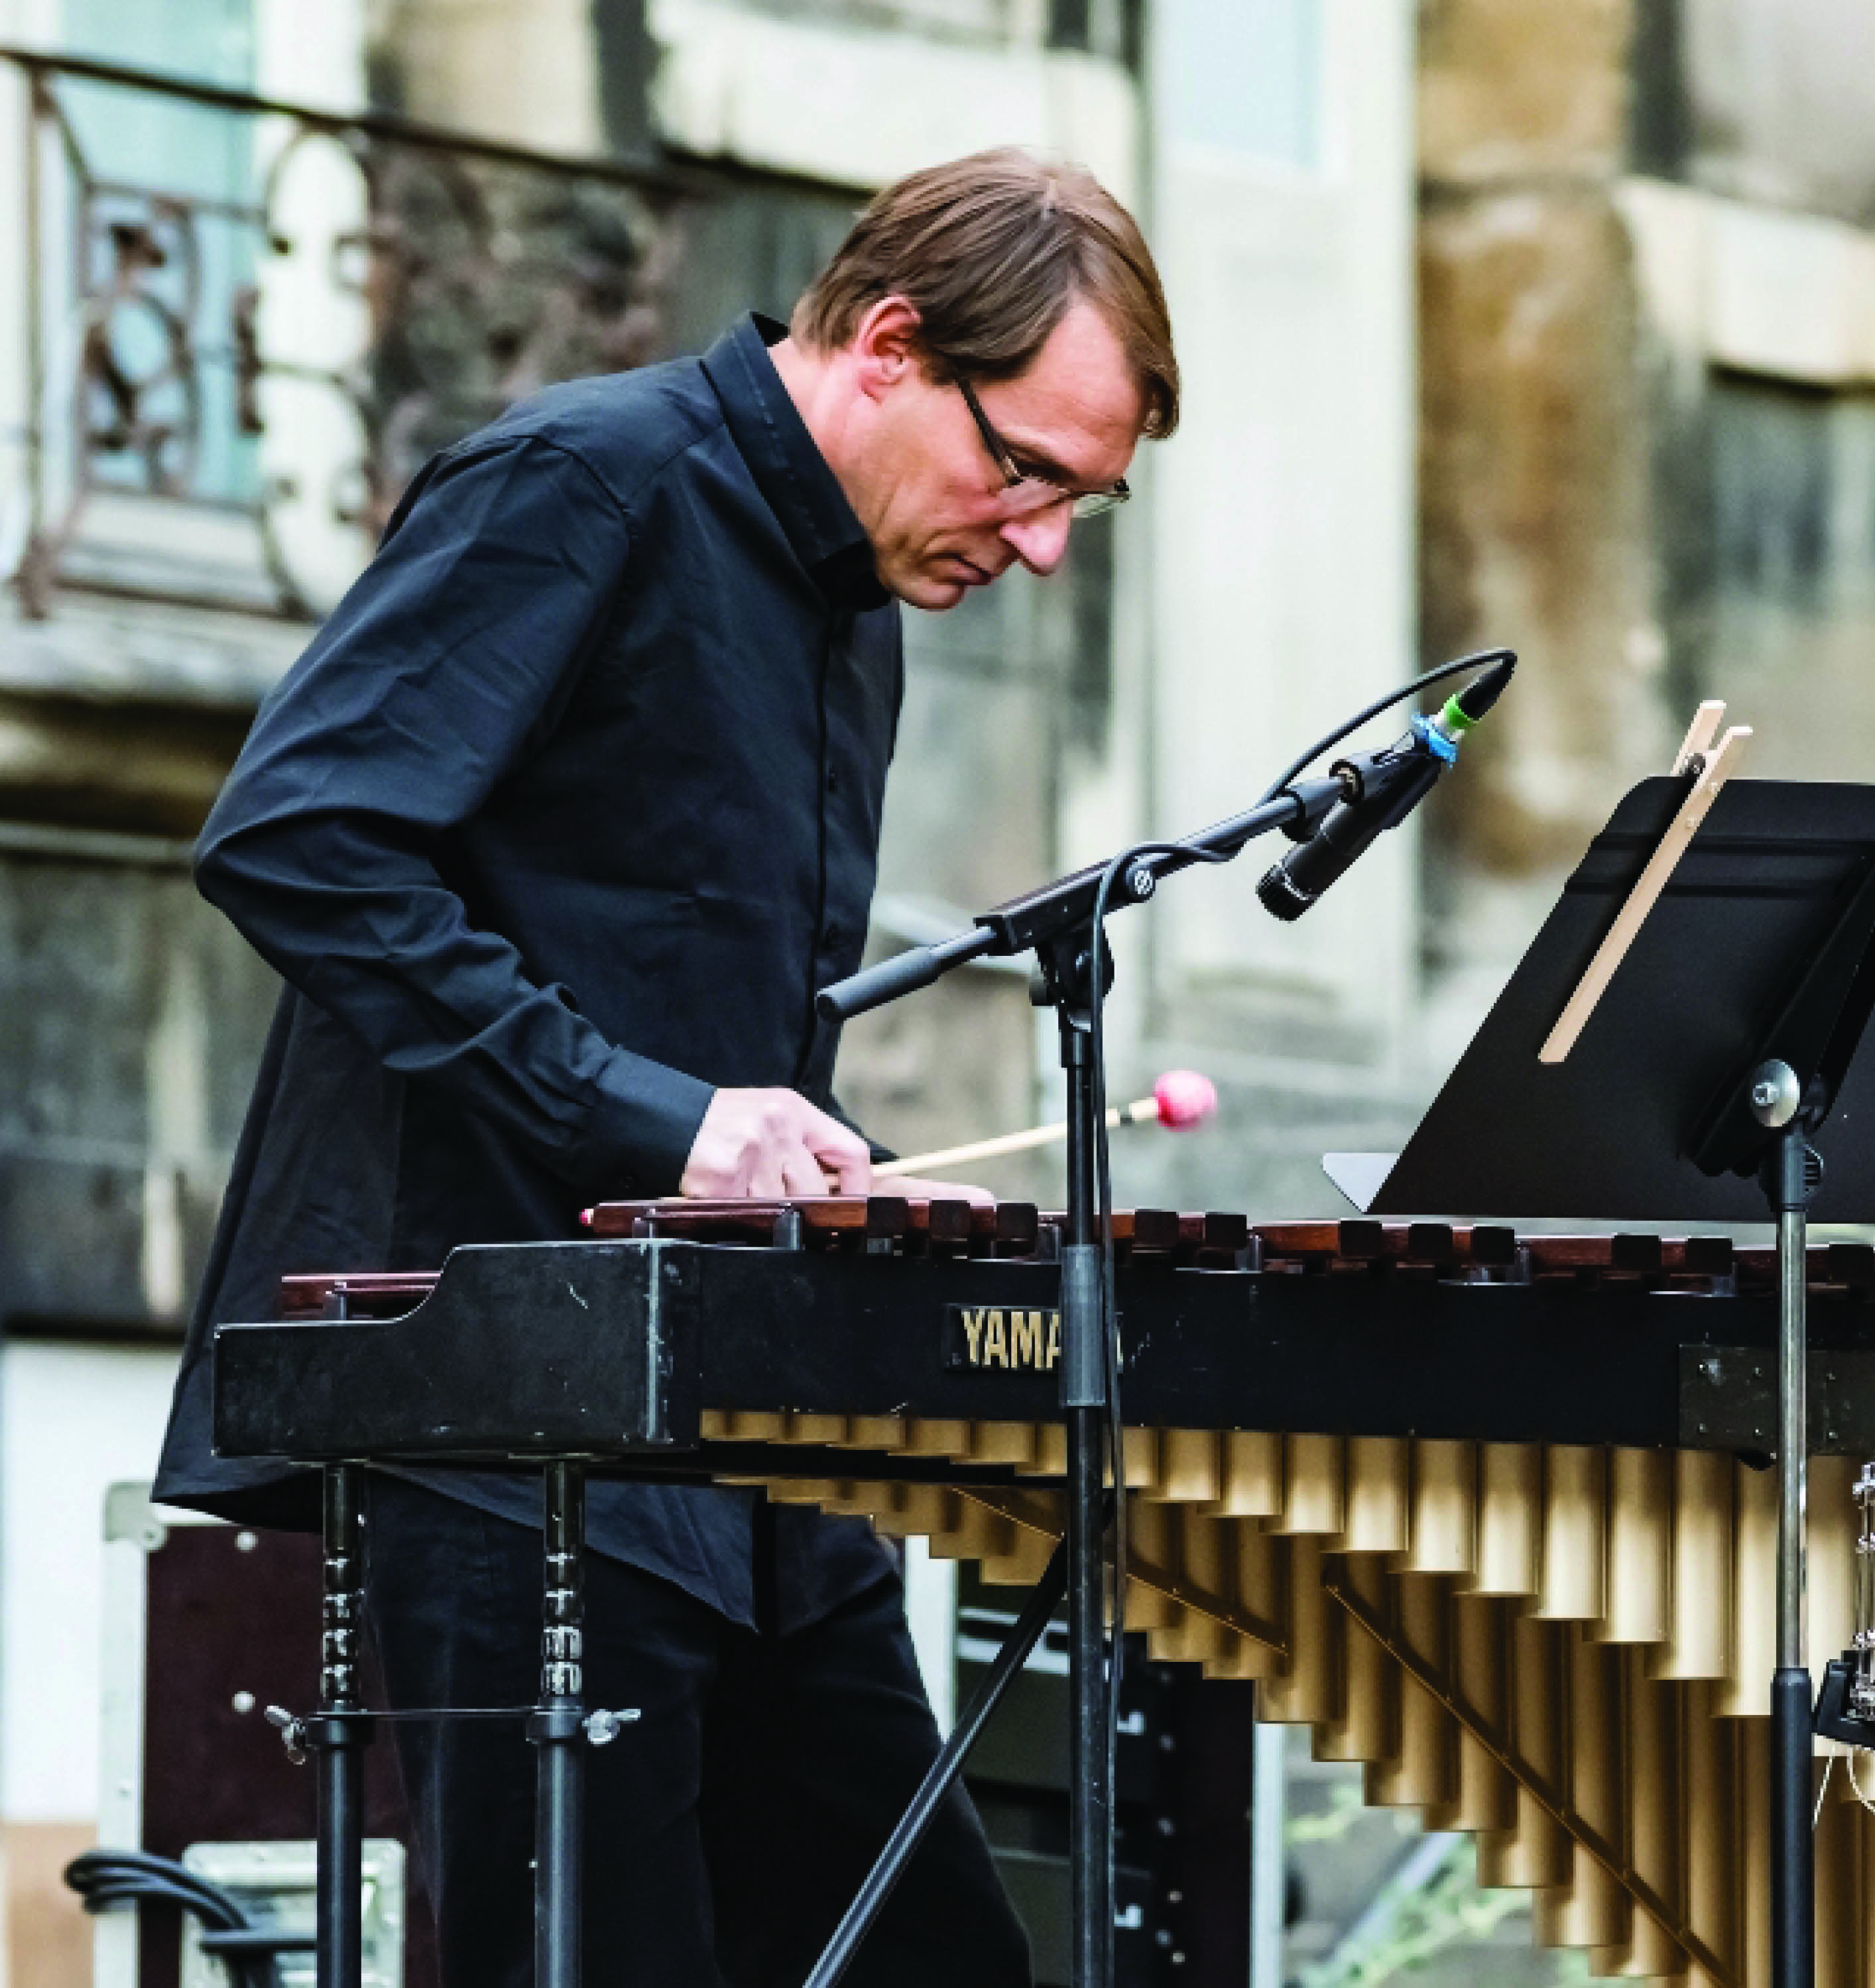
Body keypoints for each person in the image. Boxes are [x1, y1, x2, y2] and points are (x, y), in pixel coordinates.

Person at [152, 146, 1179, 1985]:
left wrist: (828, 1166)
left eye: (1075, 505)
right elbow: (300, 836)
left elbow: (698, 1004)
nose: (1035, 544)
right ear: (885, 342)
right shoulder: (582, 480)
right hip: (503, 1418)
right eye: (1023, 470)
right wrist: (656, 1120)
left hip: (735, 1423)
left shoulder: (854, 604)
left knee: (935, 1960)